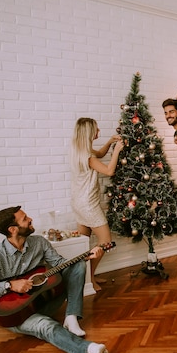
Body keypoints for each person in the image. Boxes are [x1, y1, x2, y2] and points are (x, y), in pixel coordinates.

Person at [0, 206, 109, 353]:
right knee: (46, 326)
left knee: (78, 265)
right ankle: (90, 349)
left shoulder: (39, 243)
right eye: (25, 219)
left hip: (42, 302)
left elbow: (60, 264)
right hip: (15, 315)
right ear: (13, 229)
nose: (30, 219)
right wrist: (9, 285)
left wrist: (87, 257)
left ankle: (71, 317)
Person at [70, 117, 124, 291]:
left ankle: (86, 277)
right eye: (96, 129)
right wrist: (117, 151)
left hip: (78, 203)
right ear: (89, 132)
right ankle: (89, 279)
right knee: (106, 240)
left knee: (83, 244)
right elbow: (109, 171)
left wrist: (109, 142)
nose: (99, 131)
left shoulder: (79, 151)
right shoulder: (87, 157)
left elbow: (99, 154)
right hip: (88, 205)